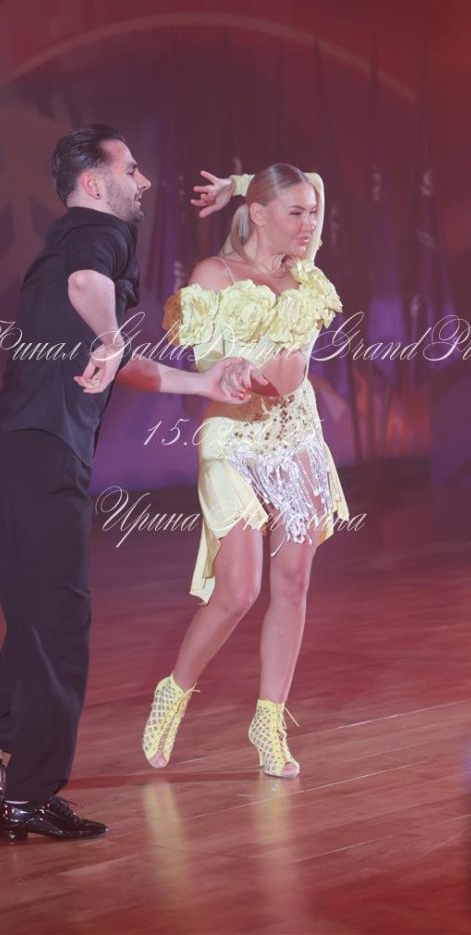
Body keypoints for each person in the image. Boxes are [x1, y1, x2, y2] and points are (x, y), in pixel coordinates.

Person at [0, 125, 258, 841]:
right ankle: (29, 794)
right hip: (42, 451)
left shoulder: (66, 238)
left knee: (36, 617)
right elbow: (90, 293)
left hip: (8, 449)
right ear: (94, 181)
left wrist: (201, 381)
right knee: (62, 621)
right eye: (131, 168)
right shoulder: (101, 233)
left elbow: (119, 355)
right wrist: (114, 337)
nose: (143, 181)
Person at [141, 163, 350, 778]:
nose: (309, 223)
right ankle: (175, 689)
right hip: (233, 438)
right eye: (295, 212)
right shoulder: (215, 274)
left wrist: (238, 184)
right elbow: (208, 368)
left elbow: (316, 180)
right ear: (259, 216)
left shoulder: (307, 277)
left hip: (296, 436)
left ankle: (268, 719)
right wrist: (231, 373)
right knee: (238, 591)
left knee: (293, 582)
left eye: (313, 214)